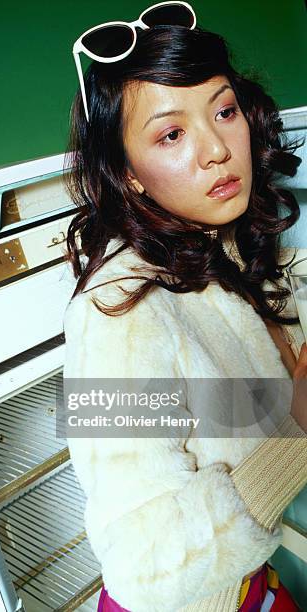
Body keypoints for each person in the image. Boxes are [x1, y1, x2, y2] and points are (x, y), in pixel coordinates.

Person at [62, 3, 307, 610]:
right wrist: (298, 431)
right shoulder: (112, 313)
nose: (218, 150)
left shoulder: (226, 245)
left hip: (257, 587)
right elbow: (141, 566)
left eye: (224, 112)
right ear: (128, 172)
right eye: (172, 134)